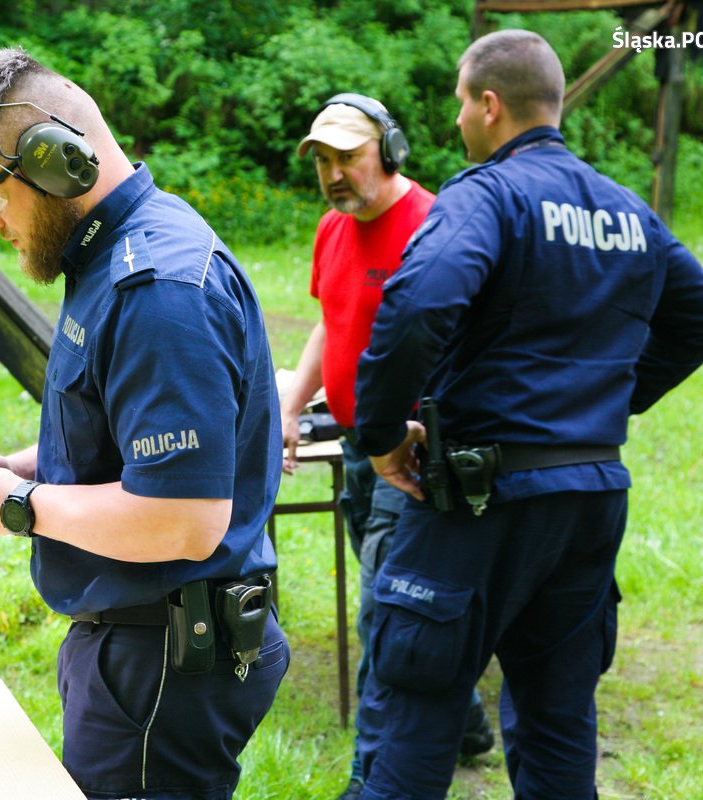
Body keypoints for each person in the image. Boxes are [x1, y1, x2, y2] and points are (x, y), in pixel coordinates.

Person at [351, 30, 703, 799]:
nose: (459, 119)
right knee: (560, 729)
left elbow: (421, 301)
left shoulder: (486, 196)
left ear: (489, 106)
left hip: (476, 507)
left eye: (461, 103)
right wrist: (601, 409)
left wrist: (383, 437)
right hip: (588, 507)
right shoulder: (627, 211)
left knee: (413, 721)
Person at [0, 47, 289, 799]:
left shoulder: (154, 289)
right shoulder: (115, 254)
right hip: (149, 644)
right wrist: (24, 467)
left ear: (56, 163)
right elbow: (138, 441)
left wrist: (11, 506)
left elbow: (183, 518)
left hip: (162, 658)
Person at [279, 94, 493, 800]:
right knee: (401, 600)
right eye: (324, 161)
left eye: (349, 156)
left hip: (410, 457)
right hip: (353, 448)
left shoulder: (435, 223)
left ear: (390, 151)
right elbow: (329, 324)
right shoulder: (332, 229)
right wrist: (288, 407)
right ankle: (463, 720)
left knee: (383, 613)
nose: (334, 174)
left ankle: (371, 775)